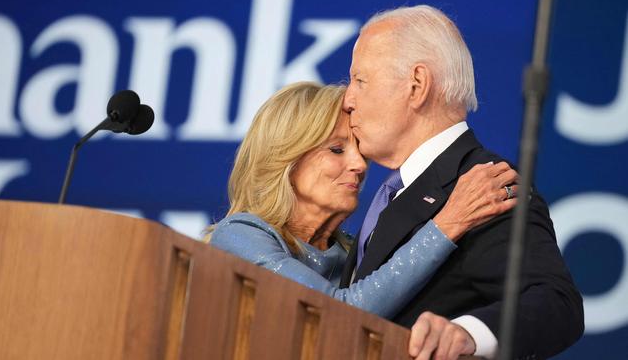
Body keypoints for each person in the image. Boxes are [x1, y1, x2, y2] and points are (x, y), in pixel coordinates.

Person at [339, 5, 584, 360]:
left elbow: (556, 302)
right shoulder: (397, 191)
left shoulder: (484, 184)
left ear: (417, 85)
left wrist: (468, 333)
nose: (348, 100)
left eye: (361, 80)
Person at [209, 82, 518, 319]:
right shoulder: (240, 236)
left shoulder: (354, 257)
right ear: (285, 158)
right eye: (336, 149)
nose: (359, 164)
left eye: (360, 150)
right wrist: (449, 222)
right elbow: (339, 312)